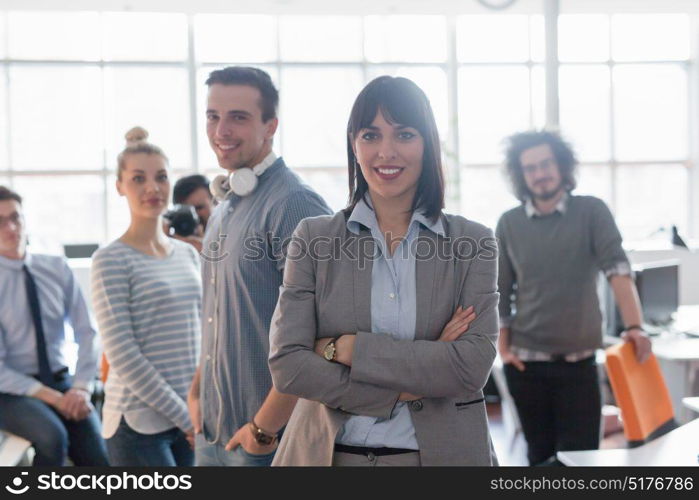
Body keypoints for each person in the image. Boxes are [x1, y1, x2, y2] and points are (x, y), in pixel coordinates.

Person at [268, 76, 500, 466]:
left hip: (438, 458)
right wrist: (407, 384)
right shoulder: (313, 237)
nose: (386, 152)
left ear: (427, 144)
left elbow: (469, 367)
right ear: (354, 144)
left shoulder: (473, 242)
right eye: (371, 135)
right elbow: (289, 367)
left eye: (405, 134)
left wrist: (346, 349)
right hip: (327, 456)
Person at [187, 66, 331, 467]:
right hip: (212, 431)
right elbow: (216, 316)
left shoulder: (295, 204)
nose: (221, 130)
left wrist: (263, 430)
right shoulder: (223, 208)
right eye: (213, 116)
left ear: (271, 125)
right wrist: (197, 392)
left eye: (238, 117)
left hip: (267, 441)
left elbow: (324, 332)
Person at [496, 130, 652, 466]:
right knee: (539, 459)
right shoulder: (509, 222)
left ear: (561, 166)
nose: (540, 173)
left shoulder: (592, 212)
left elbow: (618, 271)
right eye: (531, 168)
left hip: (579, 365)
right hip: (526, 367)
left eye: (546, 163)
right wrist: (504, 349)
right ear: (522, 175)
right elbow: (500, 290)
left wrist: (636, 326)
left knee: (582, 461)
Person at [91, 127, 201, 466]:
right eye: (138, 179)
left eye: (161, 177)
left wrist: (198, 407)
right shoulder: (110, 259)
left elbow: (202, 335)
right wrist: (185, 417)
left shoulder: (188, 255)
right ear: (120, 186)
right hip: (137, 424)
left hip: (192, 416)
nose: (153, 188)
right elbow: (123, 355)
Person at [0, 186, 108, 466]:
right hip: (10, 391)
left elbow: (88, 331)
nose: (11, 227)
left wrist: (81, 388)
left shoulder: (56, 267)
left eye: (16, 217)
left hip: (62, 381)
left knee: (99, 457)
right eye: (0, 221)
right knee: (53, 436)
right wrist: (56, 400)